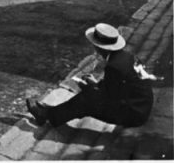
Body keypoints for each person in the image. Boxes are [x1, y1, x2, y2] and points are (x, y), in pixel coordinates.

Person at [26, 23, 154, 128]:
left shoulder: (114, 66)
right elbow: (119, 86)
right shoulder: (127, 56)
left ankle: (46, 115)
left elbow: (110, 97)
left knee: (86, 100)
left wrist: (90, 89)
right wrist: (97, 84)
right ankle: (51, 112)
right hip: (141, 107)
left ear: (100, 48)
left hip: (134, 115)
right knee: (88, 96)